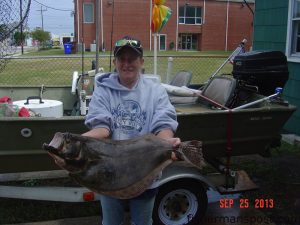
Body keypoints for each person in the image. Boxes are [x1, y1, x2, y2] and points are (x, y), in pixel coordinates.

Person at [83, 36, 180, 225]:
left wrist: (166, 142)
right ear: (114, 62)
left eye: (132, 59)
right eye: (122, 59)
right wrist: (74, 144)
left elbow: (163, 123)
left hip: (146, 170)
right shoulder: (103, 90)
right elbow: (102, 128)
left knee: (143, 222)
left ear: (141, 62)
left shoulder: (155, 90)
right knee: (111, 222)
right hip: (111, 173)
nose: (127, 64)